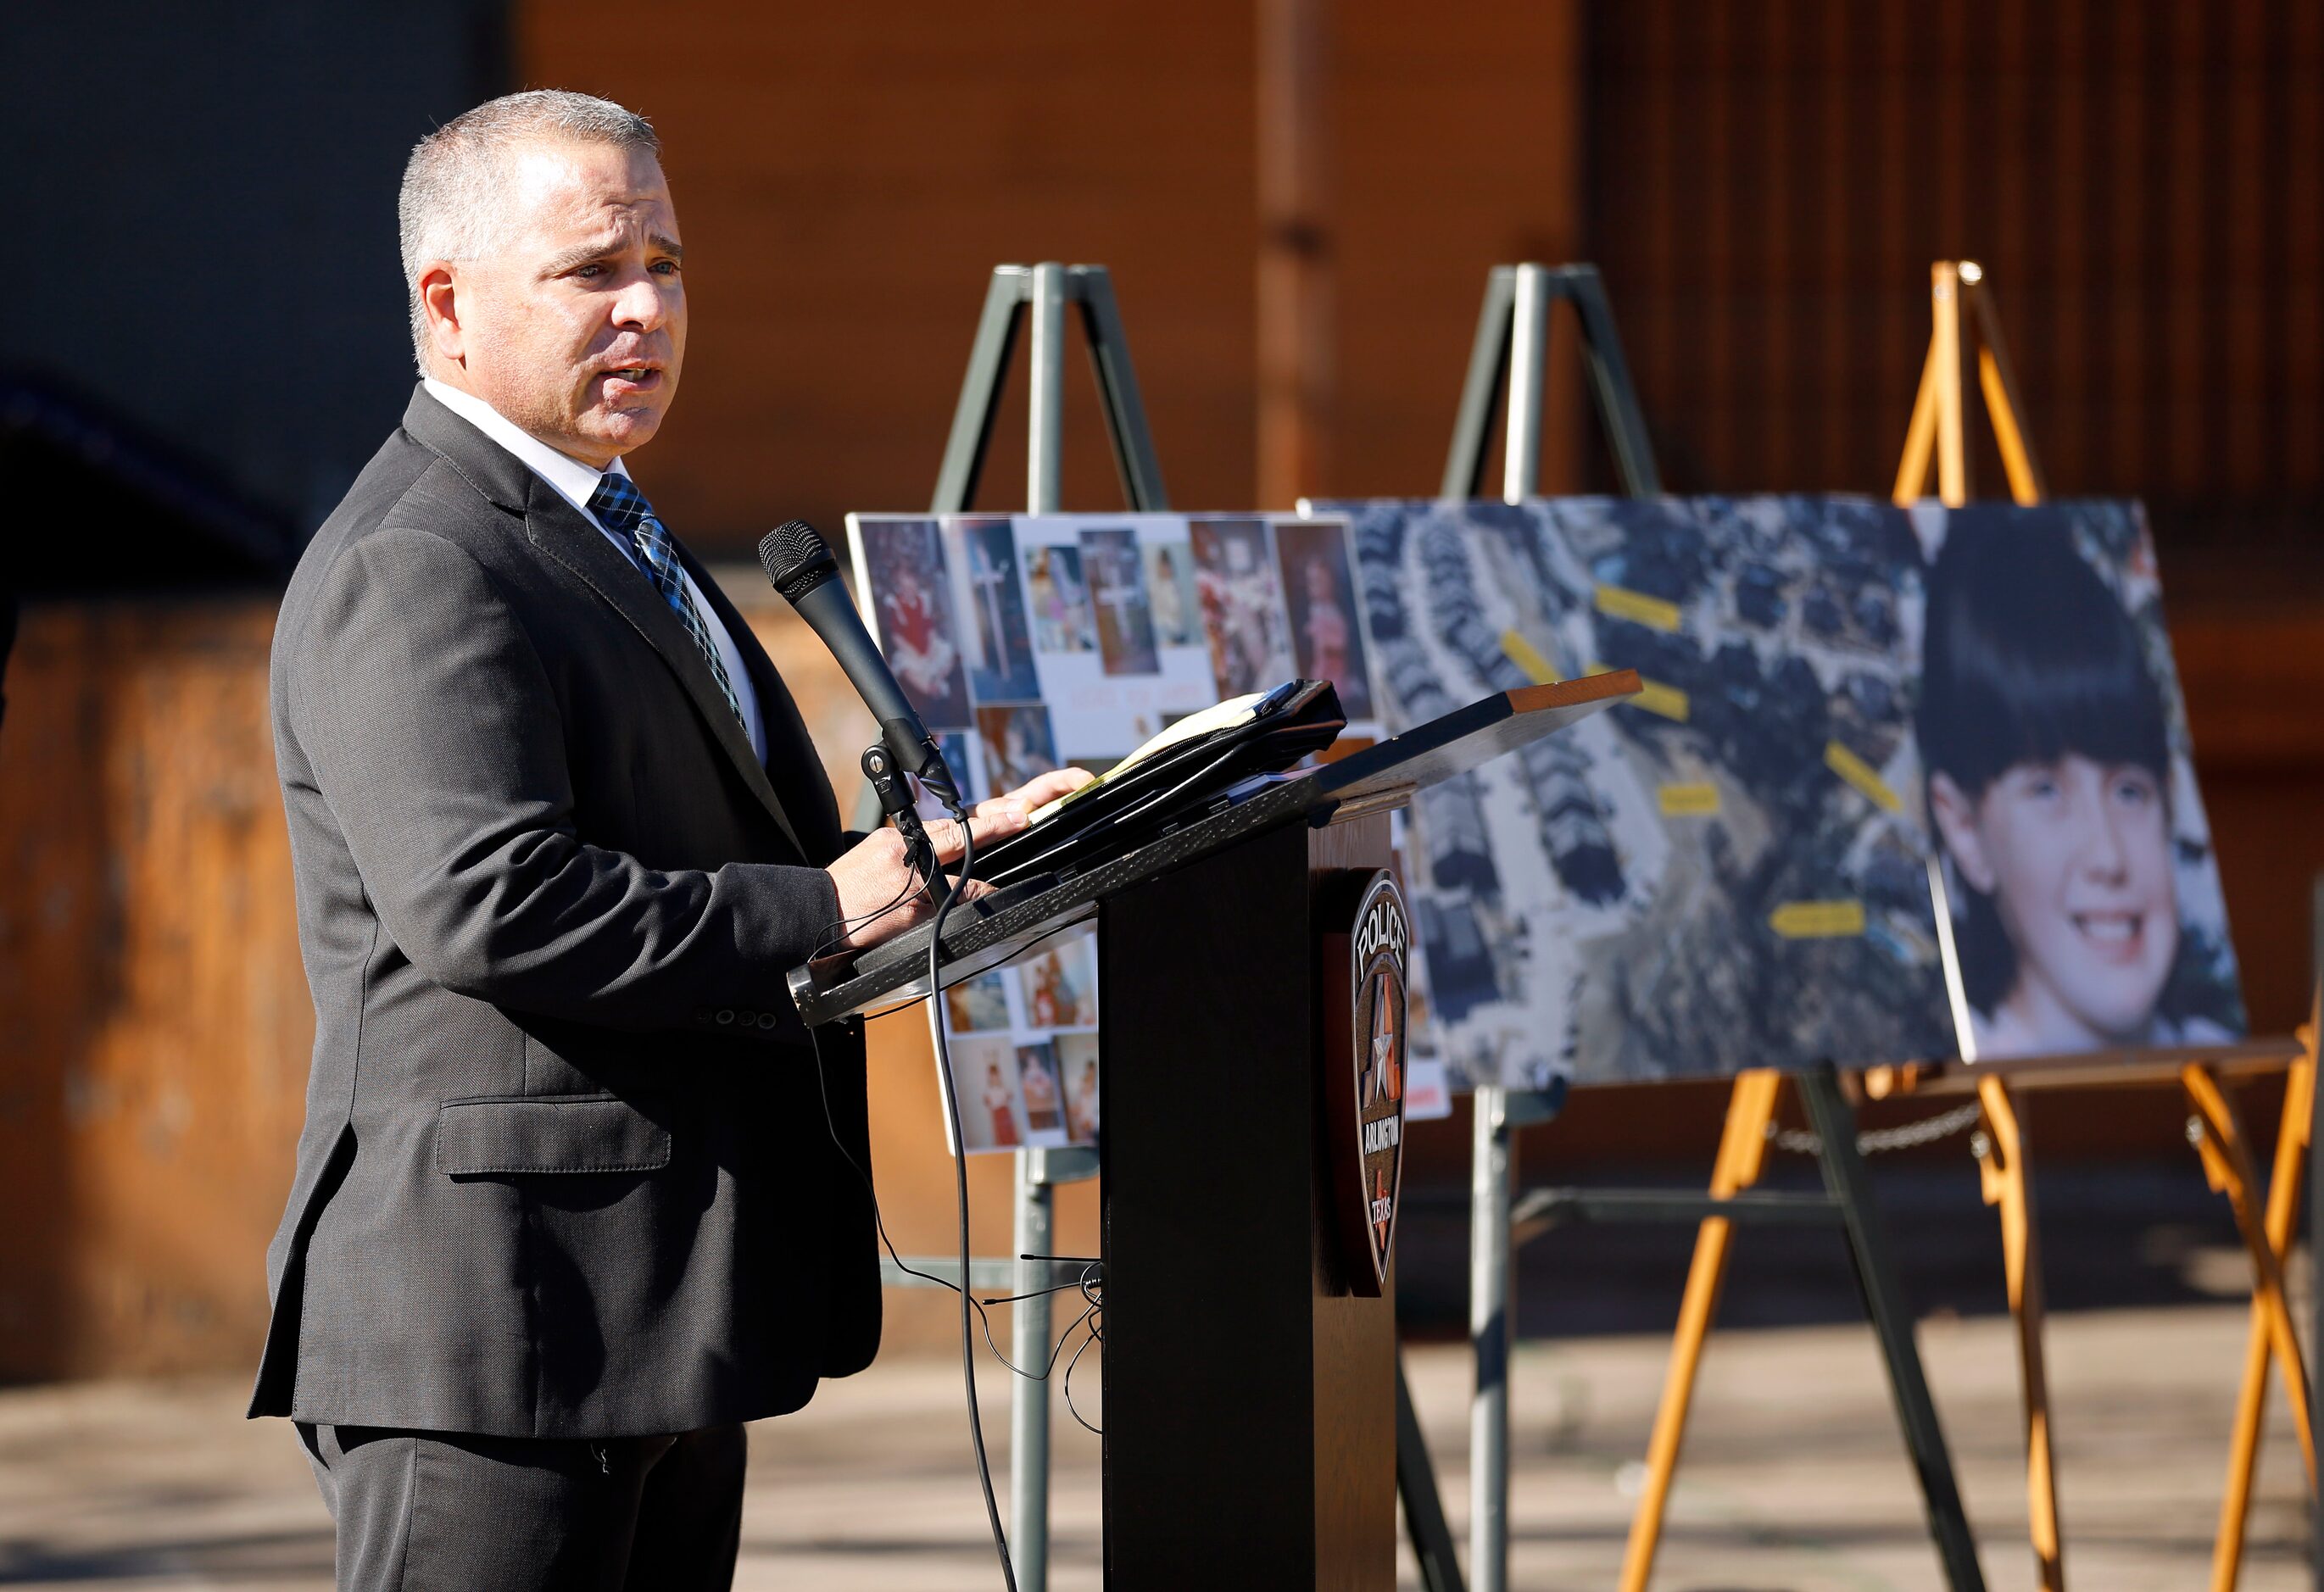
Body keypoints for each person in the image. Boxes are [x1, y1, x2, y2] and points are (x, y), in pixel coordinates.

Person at [254, 91, 1086, 1591]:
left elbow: (693, 842)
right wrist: (823, 903)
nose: (647, 307)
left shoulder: (610, 531)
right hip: (499, 1337)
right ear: (447, 303)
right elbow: (492, 904)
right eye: (592, 272)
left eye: (670, 264)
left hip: (653, 1308)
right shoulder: (418, 557)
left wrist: (931, 872)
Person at [1917, 517, 2221, 1058]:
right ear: (1965, 830)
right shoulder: (1950, 1085)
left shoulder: (2219, 1056)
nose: (2107, 856)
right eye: (2046, 791)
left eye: (2129, 791)